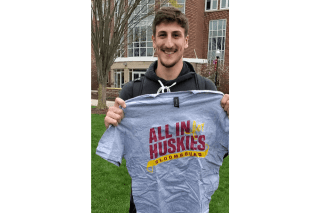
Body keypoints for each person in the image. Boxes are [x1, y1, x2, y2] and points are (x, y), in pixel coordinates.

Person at [104, 7, 229, 213]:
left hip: (191, 204)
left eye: (176, 35)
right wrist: (113, 123)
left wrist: (229, 119)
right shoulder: (132, 92)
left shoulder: (206, 91)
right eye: (162, 35)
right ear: (154, 40)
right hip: (146, 205)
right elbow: (123, 150)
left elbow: (216, 151)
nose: (169, 43)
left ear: (186, 41)